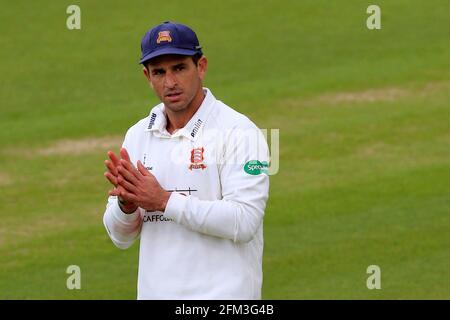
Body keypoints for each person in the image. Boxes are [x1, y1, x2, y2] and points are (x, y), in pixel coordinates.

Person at [102, 21, 270, 299]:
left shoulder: (240, 132)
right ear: (147, 76)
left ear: (201, 66)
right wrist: (126, 204)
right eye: (159, 72)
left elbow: (244, 221)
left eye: (179, 68)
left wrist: (164, 200)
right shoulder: (137, 135)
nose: (170, 82)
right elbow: (120, 238)